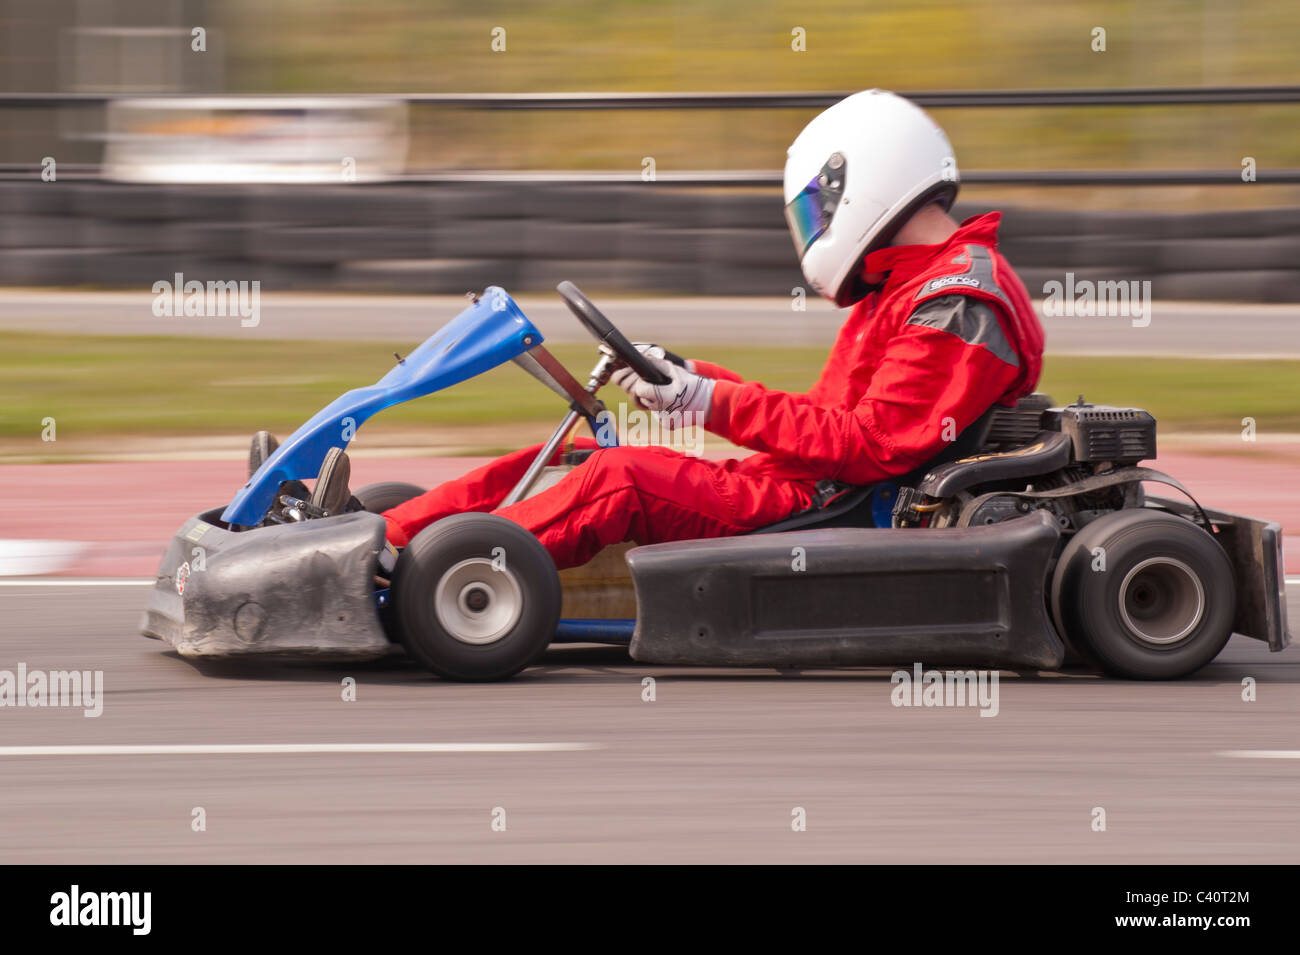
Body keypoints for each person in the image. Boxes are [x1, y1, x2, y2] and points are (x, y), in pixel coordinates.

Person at [377, 89, 1045, 569]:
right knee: (562, 461)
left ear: (860, 181)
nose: (813, 230)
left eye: (816, 210)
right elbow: (823, 417)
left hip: (839, 508)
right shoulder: (906, 282)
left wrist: (709, 402)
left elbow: (865, 445)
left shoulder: (956, 301)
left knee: (623, 480)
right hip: (807, 481)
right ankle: (376, 534)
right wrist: (693, 377)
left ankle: (428, 574)